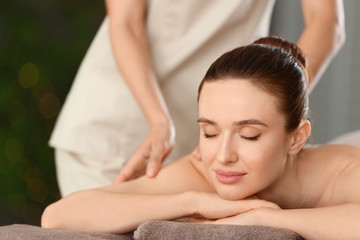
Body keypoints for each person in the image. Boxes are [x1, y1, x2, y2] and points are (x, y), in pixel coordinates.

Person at [42, 37, 360, 239]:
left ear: (296, 138)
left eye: (249, 135)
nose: (223, 155)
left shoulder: (341, 170)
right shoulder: (202, 173)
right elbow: (58, 216)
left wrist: (262, 218)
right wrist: (196, 201)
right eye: (209, 132)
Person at [50, 0, 346, 197]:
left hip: (222, 136)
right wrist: (158, 122)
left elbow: (327, 22)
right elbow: (126, 23)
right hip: (120, 127)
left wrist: (272, 103)